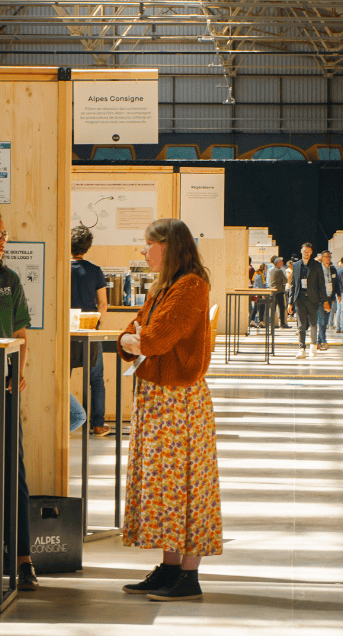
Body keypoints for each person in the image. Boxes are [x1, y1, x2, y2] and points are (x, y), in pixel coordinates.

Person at [117, 218, 222, 602]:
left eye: (149, 244)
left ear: (169, 246)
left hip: (178, 403)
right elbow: (132, 332)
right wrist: (134, 339)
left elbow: (156, 338)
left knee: (187, 486)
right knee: (164, 487)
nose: (143, 251)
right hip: (159, 401)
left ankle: (188, 576)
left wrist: (138, 340)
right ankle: (170, 567)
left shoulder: (191, 286)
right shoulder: (165, 287)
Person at [0, 217, 39, 591]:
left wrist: (18, 371)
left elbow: (21, 332)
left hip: (5, 388)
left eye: (3, 235)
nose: (1, 242)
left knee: (15, 469)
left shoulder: (9, 279)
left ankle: (23, 559)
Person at [70, 225, 110, 436]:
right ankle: (98, 424)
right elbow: (103, 303)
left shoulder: (61, 269)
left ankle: (63, 423)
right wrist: (96, 323)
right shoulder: (95, 270)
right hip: (89, 331)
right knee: (96, 379)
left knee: (62, 377)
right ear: (87, 247)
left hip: (67, 332)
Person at [287, 243, 328, 359]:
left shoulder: (317, 265)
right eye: (305, 250)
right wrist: (290, 302)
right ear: (301, 251)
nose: (306, 253)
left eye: (309, 251)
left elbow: (321, 284)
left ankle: (313, 347)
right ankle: (302, 349)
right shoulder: (296, 265)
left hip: (313, 299)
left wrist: (325, 300)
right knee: (301, 325)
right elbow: (293, 284)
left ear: (311, 252)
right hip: (299, 299)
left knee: (313, 324)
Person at [317, 250, 342, 351]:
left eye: (329, 257)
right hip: (320, 298)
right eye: (326, 256)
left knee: (325, 321)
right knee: (322, 320)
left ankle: (318, 341)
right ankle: (323, 341)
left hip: (330, 297)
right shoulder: (318, 269)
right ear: (322, 258)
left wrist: (338, 294)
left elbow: (336, 283)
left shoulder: (333, 269)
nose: (328, 258)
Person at [267, 256, 289, 328]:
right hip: (279, 291)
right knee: (282, 308)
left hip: (273, 291)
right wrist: (282, 282)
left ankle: (273, 323)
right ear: (278, 263)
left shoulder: (272, 270)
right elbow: (286, 280)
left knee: (273, 308)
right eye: (281, 262)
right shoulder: (279, 271)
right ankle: (283, 324)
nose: (282, 263)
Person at [249, 262, 267, 329]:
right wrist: (263, 294)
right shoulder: (260, 276)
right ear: (264, 268)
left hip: (257, 293)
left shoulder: (257, 274)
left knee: (256, 308)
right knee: (261, 307)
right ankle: (260, 322)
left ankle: (252, 321)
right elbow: (261, 286)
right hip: (260, 293)